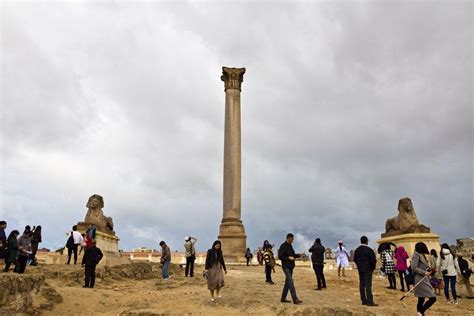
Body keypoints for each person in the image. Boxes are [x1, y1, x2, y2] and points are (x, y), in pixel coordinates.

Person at [412, 242, 437, 315]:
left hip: (423, 278)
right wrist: (424, 272)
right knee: (433, 298)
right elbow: (414, 267)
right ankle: (421, 312)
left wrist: (430, 269)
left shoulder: (421, 255)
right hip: (420, 279)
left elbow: (423, 266)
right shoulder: (416, 255)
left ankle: (421, 313)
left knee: (421, 299)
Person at [278, 233, 303, 304]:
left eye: (293, 239)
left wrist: (298, 255)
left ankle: (283, 298)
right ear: (288, 238)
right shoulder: (283, 246)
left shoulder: (290, 246)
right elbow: (280, 256)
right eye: (292, 239)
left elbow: (293, 255)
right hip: (286, 267)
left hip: (291, 267)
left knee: (287, 283)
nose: (292, 241)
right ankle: (295, 299)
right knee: (291, 282)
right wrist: (288, 257)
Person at [353, 235, 377, 306]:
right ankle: (370, 301)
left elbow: (355, 259)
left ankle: (363, 300)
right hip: (368, 269)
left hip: (360, 269)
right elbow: (373, 260)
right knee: (368, 285)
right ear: (366, 241)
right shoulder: (369, 250)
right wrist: (372, 268)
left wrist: (359, 265)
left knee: (361, 284)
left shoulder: (357, 250)